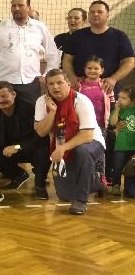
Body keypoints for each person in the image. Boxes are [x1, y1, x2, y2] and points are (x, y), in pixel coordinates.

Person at [34, 69, 107, 214]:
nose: (55, 87)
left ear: (68, 84)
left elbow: (87, 135)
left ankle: (80, 201)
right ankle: (95, 181)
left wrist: (62, 148)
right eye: (51, 84)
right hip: (62, 144)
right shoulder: (42, 101)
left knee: (83, 152)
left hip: (91, 142)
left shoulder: (82, 101)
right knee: (65, 195)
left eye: (59, 83)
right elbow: (41, 132)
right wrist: (52, 112)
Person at [0, 81, 49, 199]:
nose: (1, 100)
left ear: (13, 94)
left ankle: (40, 186)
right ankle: (19, 175)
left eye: (4, 96)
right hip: (7, 150)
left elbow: (40, 137)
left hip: (30, 147)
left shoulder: (30, 108)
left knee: (43, 151)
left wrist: (18, 147)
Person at [0, 0, 59, 107]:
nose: (16, 8)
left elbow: (53, 53)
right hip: (3, 83)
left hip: (31, 83)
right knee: (3, 116)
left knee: (30, 115)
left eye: (20, 5)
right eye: (14, 6)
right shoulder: (0, 28)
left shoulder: (40, 27)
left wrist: (47, 76)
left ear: (29, 8)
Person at [62, 0, 134, 97]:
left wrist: (113, 79)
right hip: (80, 89)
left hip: (108, 90)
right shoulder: (77, 36)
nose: (95, 14)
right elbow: (67, 60)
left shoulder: (119, 36)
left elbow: (130, 61)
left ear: (107, 16)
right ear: (88, 15)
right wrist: (72, 77)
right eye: (92, 12)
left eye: (100, 12)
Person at [108, 87, 135, 198]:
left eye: (124, 98)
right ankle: (116, 185)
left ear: (132, 100)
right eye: (119, 97)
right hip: (121, 145)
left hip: (133, 145)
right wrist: (117, 110)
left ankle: (129, 185)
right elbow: (112, 122)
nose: (119, 100)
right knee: (117, 166)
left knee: (131, 168)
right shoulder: (119, 110)